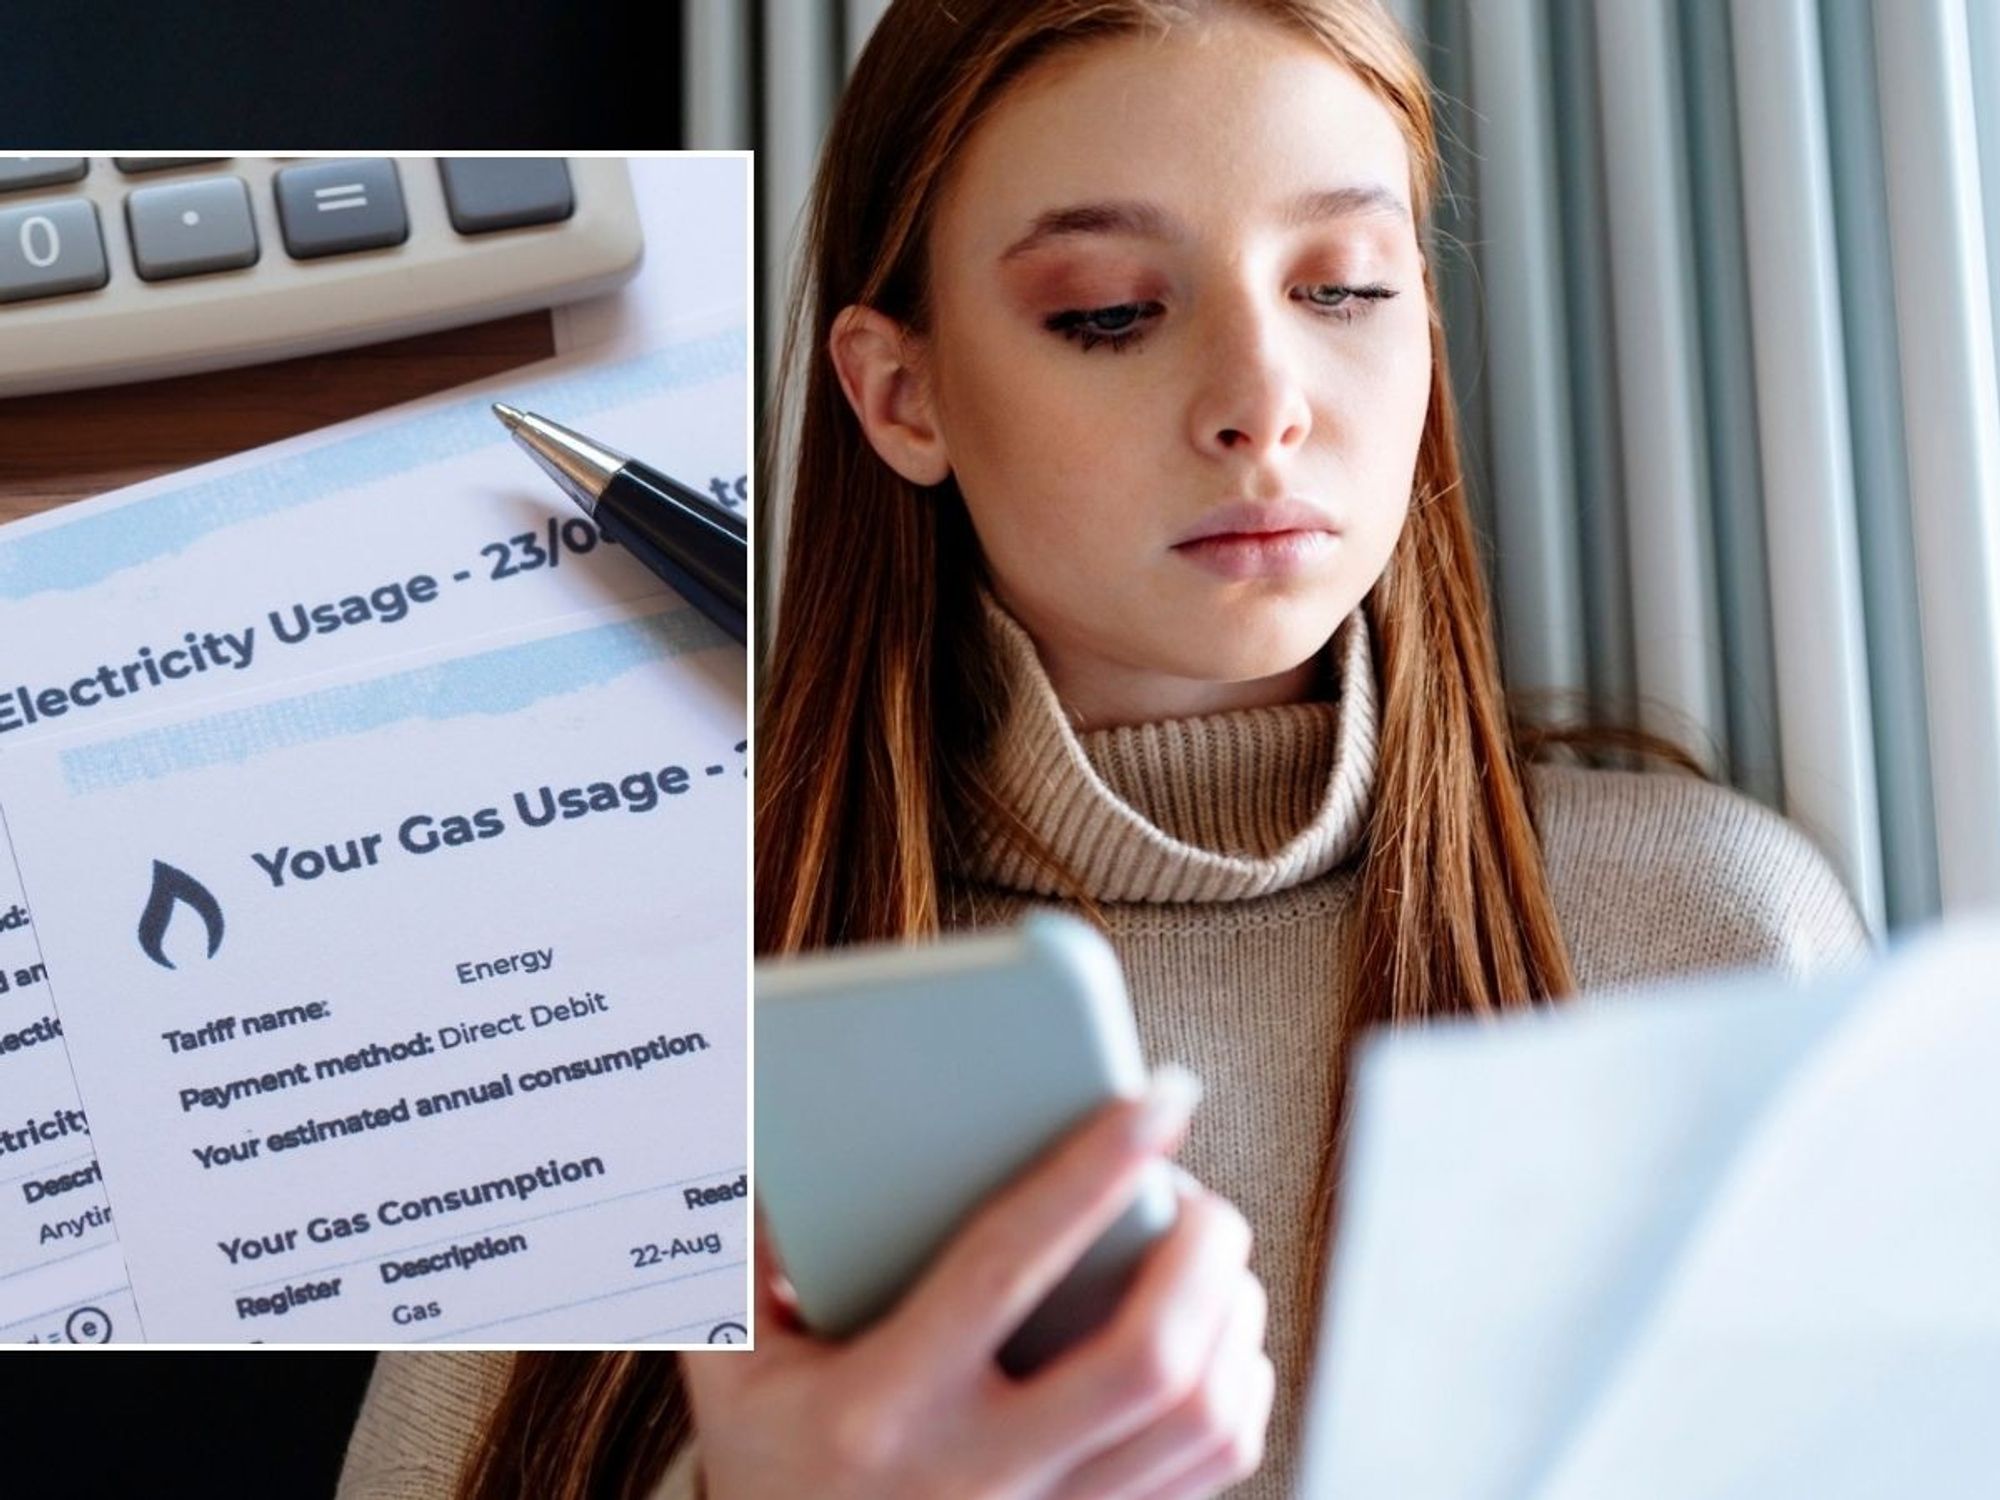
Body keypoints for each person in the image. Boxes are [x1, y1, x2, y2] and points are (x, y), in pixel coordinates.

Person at [337, 1, 1870, 1497]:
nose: (1265, 404)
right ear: (899, 392)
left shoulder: (1716, 937)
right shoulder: (617, 1024)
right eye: (1110, 314)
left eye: (1343, 288)